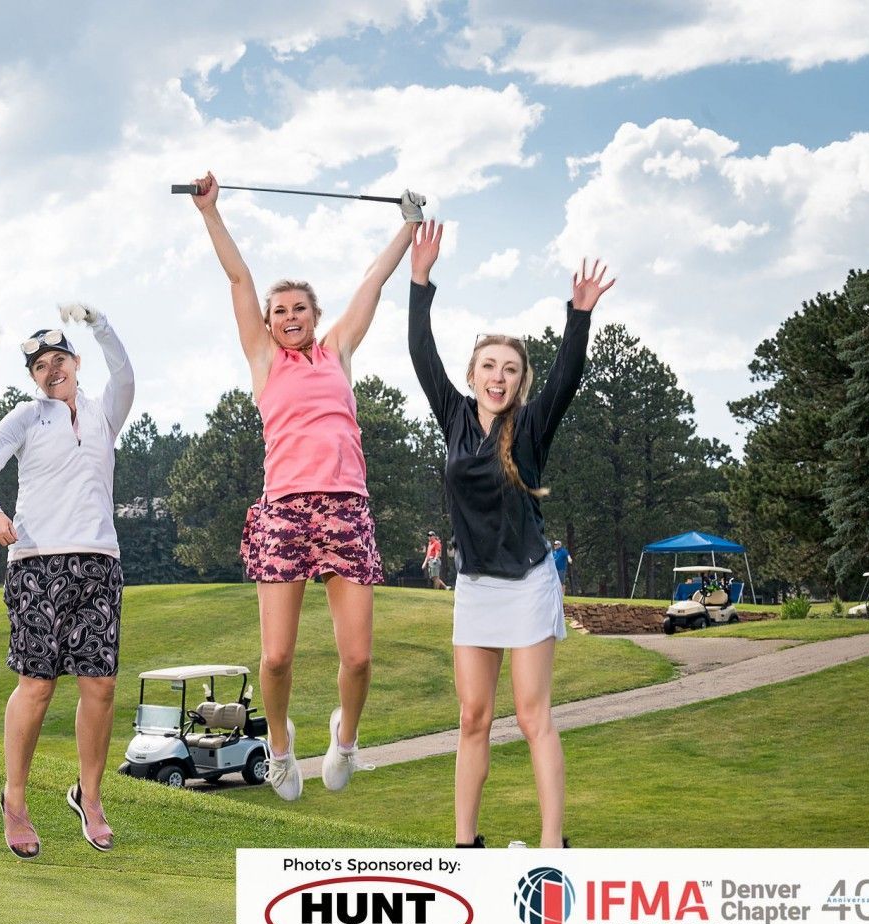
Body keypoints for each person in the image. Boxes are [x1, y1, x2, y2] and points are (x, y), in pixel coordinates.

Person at [189, 171, 419, 800]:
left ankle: (344, 738)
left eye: (301, 309)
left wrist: (408, 223)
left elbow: (373, 281)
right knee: (278, 658)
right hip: (284, 513)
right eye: (280, 310)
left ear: (317, 316)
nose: (290, 317)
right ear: (268, 322)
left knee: (359, 657)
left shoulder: (337, 350)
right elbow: (239, 278)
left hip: (346, 509)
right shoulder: (264, 361)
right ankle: (283, 747)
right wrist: (212, 212)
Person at [406, 218, 614, 849]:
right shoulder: (454, 417)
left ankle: (554, 847)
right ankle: (466, 845)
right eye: (488, 366)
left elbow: (567, 377)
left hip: (526, 582)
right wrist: (420, 280)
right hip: (475, 586)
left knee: (531, 715)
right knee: (473, 717)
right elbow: (421, 353)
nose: (498, 376)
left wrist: (576, 316)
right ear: (473, 374)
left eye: (510, 369)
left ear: (519, 382)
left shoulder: (528, 428)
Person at [0, 303, 134, 858]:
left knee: (101, 686)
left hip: (99, 563)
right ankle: (14, 799)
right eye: (40, 365)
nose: (51, 369)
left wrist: (100, 321)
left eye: (59, 358)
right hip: (36, 562)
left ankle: (89, 796)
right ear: (33, 377)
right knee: (37, 686)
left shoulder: (105, 413)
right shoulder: (26, 416)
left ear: (75, 362)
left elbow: (125, 373)